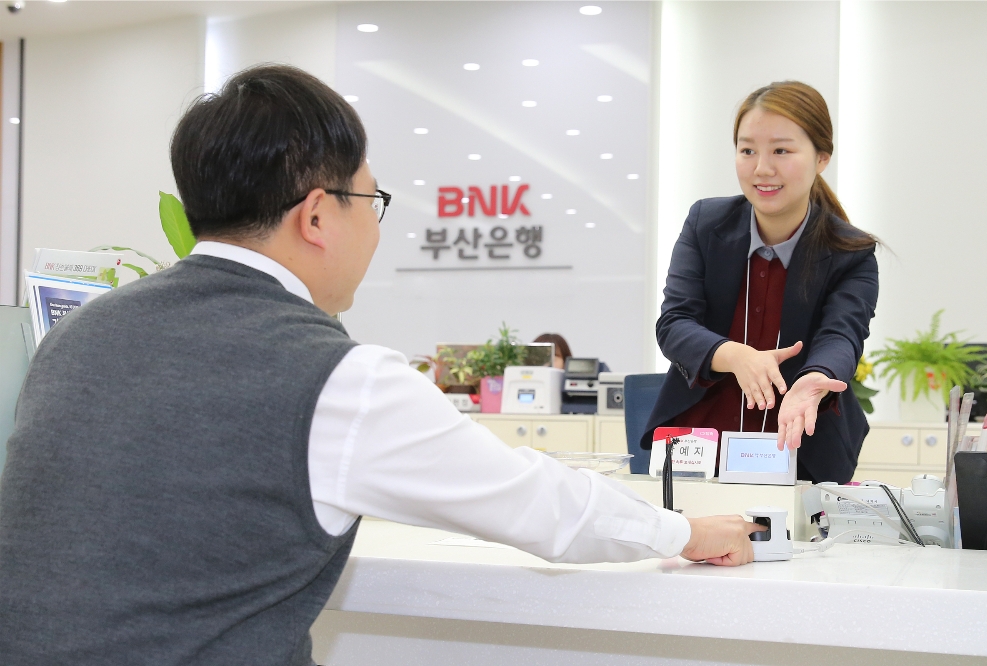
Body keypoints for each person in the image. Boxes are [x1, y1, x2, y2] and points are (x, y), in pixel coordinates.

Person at [0, 66, 763, 665]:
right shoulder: (335, 378)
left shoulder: (77, 335)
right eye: (372, 200)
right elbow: (538, 505)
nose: (375, 226)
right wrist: (683, 532)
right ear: (317, 214)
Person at [644, 81, 879, 484]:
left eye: (781, 151)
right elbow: (674, 323)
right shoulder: (705, 224)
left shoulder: (850, 252)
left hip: (800, 447)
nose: (762, 169)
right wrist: (736, 356)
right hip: (697, 446)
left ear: (822, 157)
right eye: (747, 150)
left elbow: (842, 335)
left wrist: (815, 377)